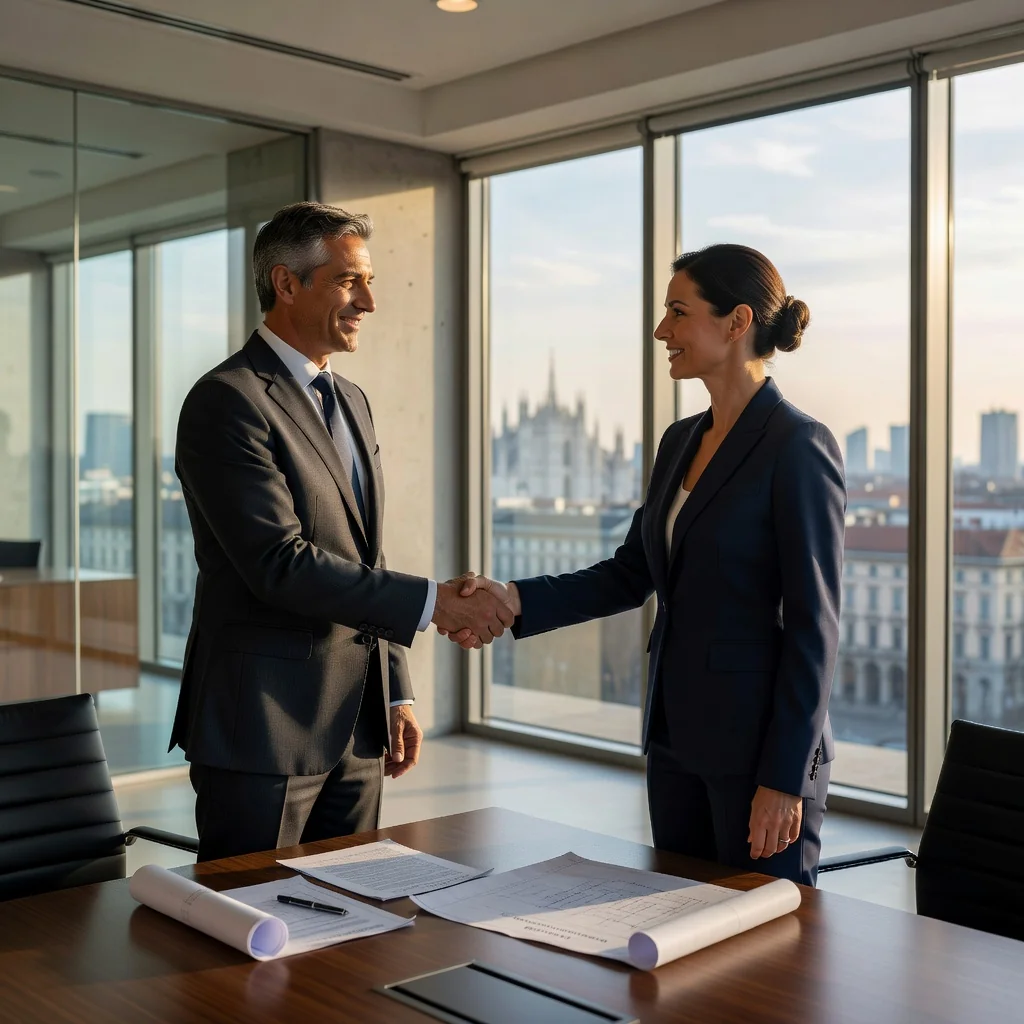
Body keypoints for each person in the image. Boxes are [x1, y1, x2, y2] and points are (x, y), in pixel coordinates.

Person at [447, 244, 845, 885]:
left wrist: (784, 777)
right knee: (678, 932)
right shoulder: (680, 440)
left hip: (757, 755)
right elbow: (631, 573)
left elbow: (814, 627)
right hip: (675, 740)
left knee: (762, 956)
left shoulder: (797, 444)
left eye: (678, 312)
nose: (662, 331)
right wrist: (513, 598)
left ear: (737, 322)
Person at [170, 202, 513, 861]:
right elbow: (279, 562)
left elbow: (365, 555)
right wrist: (433, 602)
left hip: (356, 727)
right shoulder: (227, 401)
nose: (369, 303)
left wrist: (397, 687)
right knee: (253, 934)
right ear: (287, 283)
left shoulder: (350, 399)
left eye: (372, 281)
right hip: (264, 729)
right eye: (350, 281)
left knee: (351, 925)